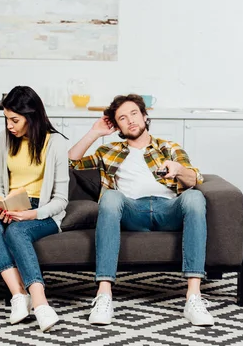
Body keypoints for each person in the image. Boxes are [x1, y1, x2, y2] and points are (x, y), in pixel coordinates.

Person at [68, 94, 214, 327]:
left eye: (134, 114)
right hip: (131, 210)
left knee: (195, 197)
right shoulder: (109, 150)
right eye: (123, 118)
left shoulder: (168, 147)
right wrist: (95, 132)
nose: (131, 121)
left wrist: (177, 169)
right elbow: (71, 162)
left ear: (145, 116)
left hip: (168, 209)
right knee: (111, 197)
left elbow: (195, 178)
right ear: (117, 126)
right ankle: (104, 294)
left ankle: (193, 297)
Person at [0, 86, 69, 332]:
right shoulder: (3, 139)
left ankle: (40, 303)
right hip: (12, 205)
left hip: (43, 210)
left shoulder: (55, 142)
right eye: (6, 119)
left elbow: (61, 200)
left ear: (32, 115)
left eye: (14, 120)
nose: (9, 125)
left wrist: (32, 214)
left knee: (16, 232)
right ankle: (18, 295)